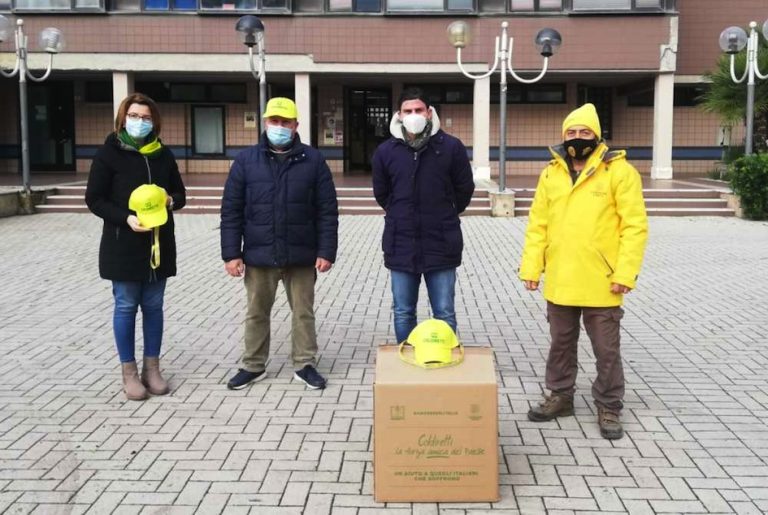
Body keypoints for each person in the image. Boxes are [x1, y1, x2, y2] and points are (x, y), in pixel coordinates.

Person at [519, 103, 648, 440]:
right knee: (560, 343)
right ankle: (560, 397)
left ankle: (609, 404)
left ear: (597, 135)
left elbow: (634, 227)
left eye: (584, 132)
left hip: (603, 282)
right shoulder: (551, 173)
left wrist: (625, 273)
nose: (578, 138)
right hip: (561, 279)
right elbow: (538, 225)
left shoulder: (620, 173)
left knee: (606, 349)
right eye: (572, 133)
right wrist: (532, 267)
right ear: (564, 136)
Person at [221, 97, 338, 391]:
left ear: (296, 125)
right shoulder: (246, 161)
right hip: (260, 254)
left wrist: (326, 251)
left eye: (286, 122)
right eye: (274, 121)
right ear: (265, 123)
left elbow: (327, 210)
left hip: (301, 254)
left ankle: (304, 364)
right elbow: (231, 210)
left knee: (303, 312)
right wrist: (232, 253)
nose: (279, 127)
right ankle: (253, 365)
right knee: (256, 311)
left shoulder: (313, 160)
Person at [85, 93, 186, 401]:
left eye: (145, 117)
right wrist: (125, 218)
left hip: (159, 244)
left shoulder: (163, 154)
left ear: (154, 121)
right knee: (126, 306)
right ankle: (129, 372)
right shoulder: (108, 154)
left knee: (154, 307)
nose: (140, 122)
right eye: (134, 116)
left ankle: (152, 368)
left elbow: (180, 194)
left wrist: (171, 200)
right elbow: (94, 199)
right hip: (124, 244)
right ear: (123, 118)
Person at [372, 87, 475, 344]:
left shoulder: (451, 147)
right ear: (399, 114)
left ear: (429, 113)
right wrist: (400, 213)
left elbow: (464, 188)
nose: (414, 115)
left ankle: (444, 363)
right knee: (404, 311)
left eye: (419, 110)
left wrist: (446, 213)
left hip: (441, 242)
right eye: (408, 111)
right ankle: (406, 366)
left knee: (444, 312)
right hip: (401, 243)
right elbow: (382, 193)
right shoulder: (386, 151)